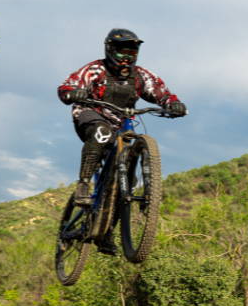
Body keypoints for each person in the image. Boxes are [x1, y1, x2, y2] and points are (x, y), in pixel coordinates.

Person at [57, 28, 187, 212]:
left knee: (127, 176)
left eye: (132, 52)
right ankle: (84, 184)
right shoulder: (95, 70)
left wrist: (174, 104)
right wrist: (72, 92)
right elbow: (67, 86)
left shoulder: (141, 75)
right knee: (101, 132)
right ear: (110, 50)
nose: (127, 57)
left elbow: (161, 93)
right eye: (122, 52)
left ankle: (109, 228)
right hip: (91, 114)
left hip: (121, 122)